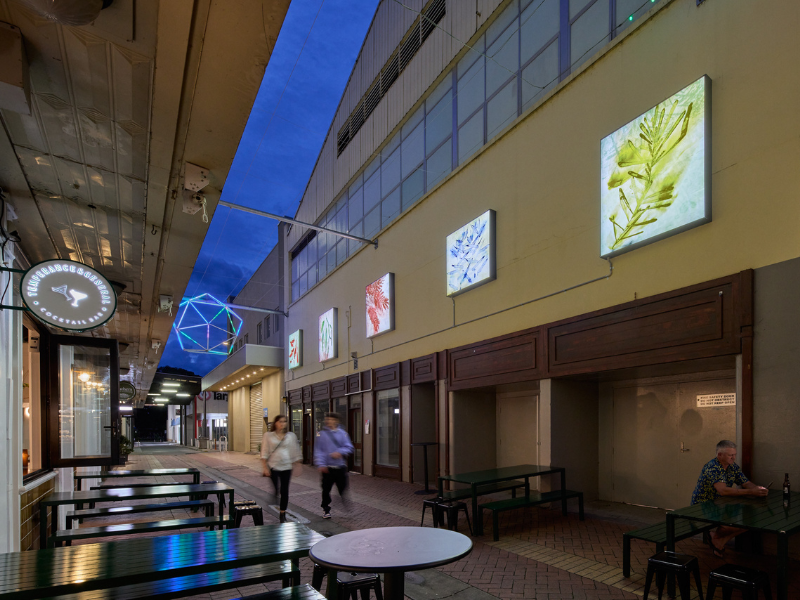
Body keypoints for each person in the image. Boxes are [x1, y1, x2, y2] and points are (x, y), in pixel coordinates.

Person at [691, 439, 768, 557]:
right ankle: (716, 538)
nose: (733, 458)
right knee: (736, 523)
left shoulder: (733, 467)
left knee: (750, 522)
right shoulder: (713, 467)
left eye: (734, 455)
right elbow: (723, 490)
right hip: (704, 506)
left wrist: (757, 489)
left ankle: (718, 539)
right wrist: (751, 492)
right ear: (719, 455)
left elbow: (745, 482)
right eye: (730, 455)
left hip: (721, 504)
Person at [261, 414, 302, 523]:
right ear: (275, 423)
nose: (282, 424)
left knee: (285, 491)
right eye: (280, 421)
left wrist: (298, 464)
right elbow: (264, 451)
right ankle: (275, 493)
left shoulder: (290, 436)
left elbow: (295, 450)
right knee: (277, 489)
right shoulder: (268, 435)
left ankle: (282, 513)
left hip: (287, 466)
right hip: (273, 466)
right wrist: (265, 467)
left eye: (284, 421)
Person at [314, 412, 354, 519]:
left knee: (343, 487)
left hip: (340, 467)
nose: (328, 421)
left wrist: (340, 452)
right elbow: (319, 450)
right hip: (327, 468)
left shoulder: (343, 433)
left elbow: (349, 447)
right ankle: (326, 509)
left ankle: (343, 502)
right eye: (327, 419)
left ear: (336, 421)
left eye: (331, 419)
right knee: (326, 490)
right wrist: (321, 464)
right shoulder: (321, 434)